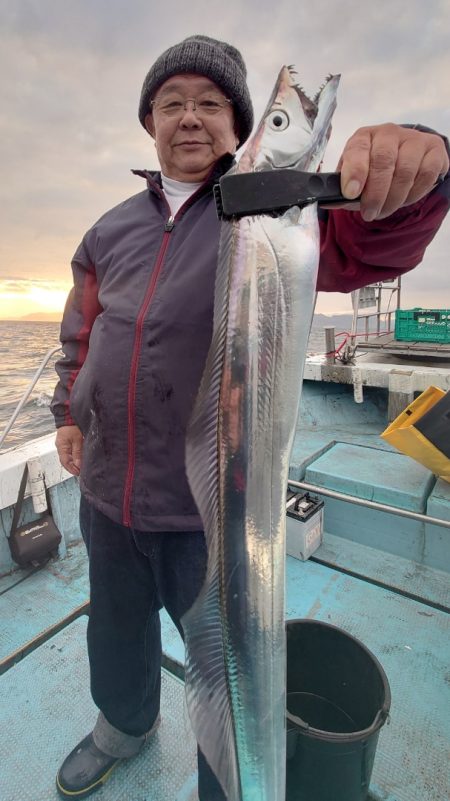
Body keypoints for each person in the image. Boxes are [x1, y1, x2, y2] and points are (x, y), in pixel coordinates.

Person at [51, 35, 449, 801]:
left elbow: (372, 243)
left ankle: (224, 781)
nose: (190, 118)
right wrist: (69, 411)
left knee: (222, 657)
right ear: (150, 122)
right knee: (115, 627)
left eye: (212, 104)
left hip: (205, 510)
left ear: (240, 132)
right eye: (173, 103)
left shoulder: (277, 207)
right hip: (106, 490)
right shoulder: (109, 230)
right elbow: (82, 327)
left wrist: (419, 175)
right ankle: (123, 723)